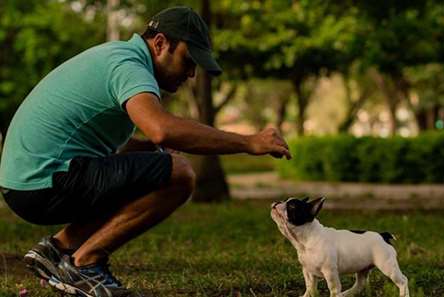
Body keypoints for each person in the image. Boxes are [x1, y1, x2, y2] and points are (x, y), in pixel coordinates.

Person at [0, 6, 291, 297]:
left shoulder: (117, 57)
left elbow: (126, 149)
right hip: (44, 181)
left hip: (28, 181)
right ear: (161, 43)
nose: (190, 74)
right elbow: (162, 129)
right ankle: (85, 264)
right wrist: (249, 142)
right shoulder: (129, 67)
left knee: (159, 165)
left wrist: (150, 151)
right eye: (187, 61)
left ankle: (57, 250)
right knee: (179, 174)